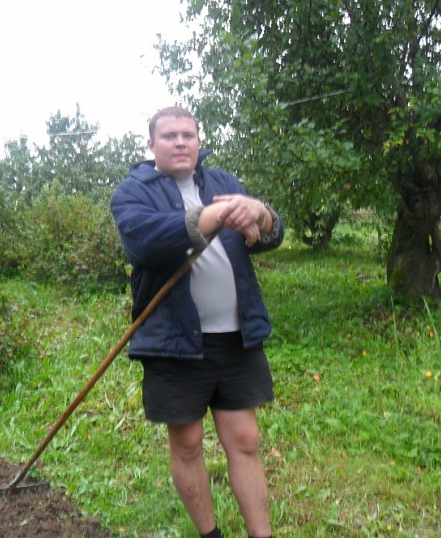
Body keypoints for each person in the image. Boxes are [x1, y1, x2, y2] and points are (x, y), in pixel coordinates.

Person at [110, 106, 283, 538]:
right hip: (175, 341)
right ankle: (210, 535)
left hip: (236, 336)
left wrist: (260, 214)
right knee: (187, 444)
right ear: (151, 144)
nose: (180, 142)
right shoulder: (133, 192)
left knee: (245, 440)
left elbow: (267, 236)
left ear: (199, 141)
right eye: (169, 136)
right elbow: (147, 243)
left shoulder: (223, 182)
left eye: (188, 134)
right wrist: (215, 216)